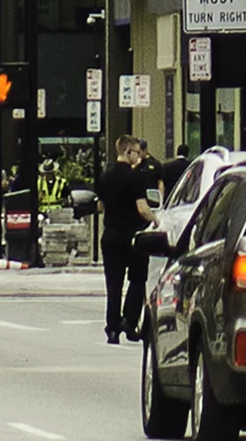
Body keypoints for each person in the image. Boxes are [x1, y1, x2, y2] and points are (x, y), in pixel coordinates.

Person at [97, 127, 158, 348]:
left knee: (114, 284)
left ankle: (112, 327)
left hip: (110, 235)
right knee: (137, 279)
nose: (139, 156)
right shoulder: (135, 177)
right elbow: (142, 208)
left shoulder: (105, 175)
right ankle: (130, 322)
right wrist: (156, 220)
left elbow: (100, 205)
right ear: (129, 152)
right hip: (133, 237)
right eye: (137, 152)